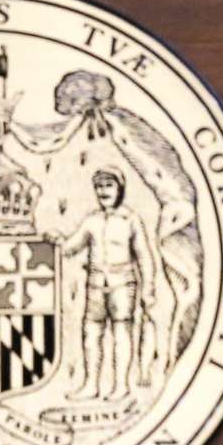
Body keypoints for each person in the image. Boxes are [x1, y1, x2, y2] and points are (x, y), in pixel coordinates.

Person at [63, 170, 159, 400]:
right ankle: (91, 385)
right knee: (91, 333)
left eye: (109, 185)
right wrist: (57, 240)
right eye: (99, 186)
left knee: (121, 334)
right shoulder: (91, 221)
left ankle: (121, 386)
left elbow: (144, 256)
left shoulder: (131, 220)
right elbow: (70, 247)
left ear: (119, 189)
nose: (104, 191)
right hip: (95, 284)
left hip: (123, 284)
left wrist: (148, 288)